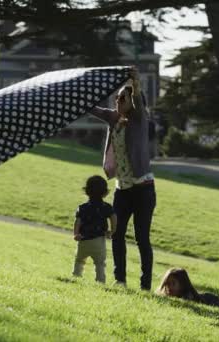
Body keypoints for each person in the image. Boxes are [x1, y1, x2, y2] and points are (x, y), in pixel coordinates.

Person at [89, 68, 156, 290]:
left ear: (131, 102)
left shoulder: (139, 119)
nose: (118, 101)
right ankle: (120, 280)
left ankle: (145, 285)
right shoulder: (113, 118)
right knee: (117, 234)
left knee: (141, 239)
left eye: (122, 98)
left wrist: (134, 81)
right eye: (117, 98)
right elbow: (92, 108)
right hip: (122, 189)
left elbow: (137, 97)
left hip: (143, 189)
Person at [72, 175, 117, 283]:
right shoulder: (107, 207)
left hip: (83, 240)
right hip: (99, 241)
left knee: (79, 260)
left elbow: (77, 221)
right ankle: (100, 280)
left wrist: (76, 233)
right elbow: (113, 217)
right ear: (105, 193)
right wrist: (112, 230)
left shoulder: (82, 207)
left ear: (86, 191)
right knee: (100, 263)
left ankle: (76, 276)